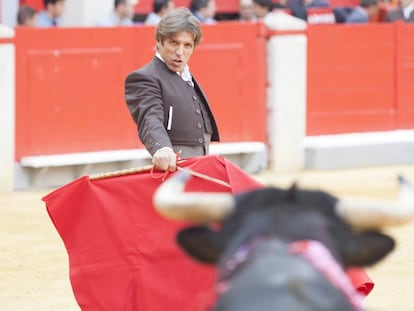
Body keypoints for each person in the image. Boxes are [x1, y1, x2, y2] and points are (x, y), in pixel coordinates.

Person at [124, 8, 220, 172]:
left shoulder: (186, 76)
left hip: (200, 166)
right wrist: (162, 148)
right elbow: (149, 119)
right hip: (173, 169)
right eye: (174, 43)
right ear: (159, 42)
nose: (179, 52)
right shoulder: (145, 78)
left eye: (187, 45)